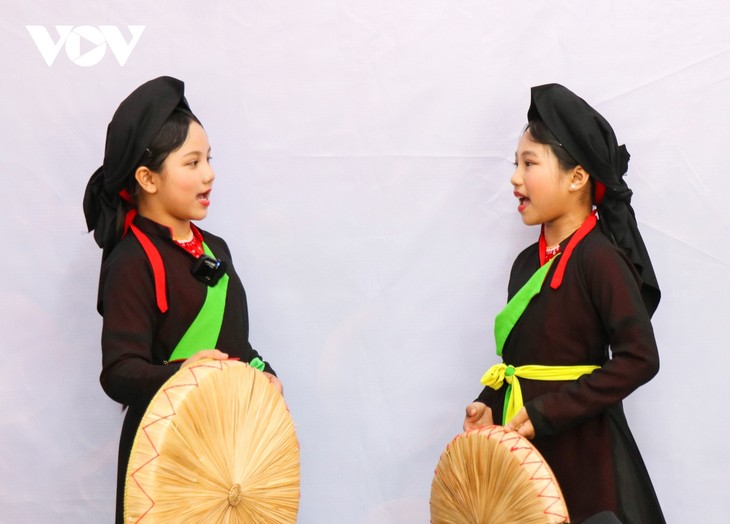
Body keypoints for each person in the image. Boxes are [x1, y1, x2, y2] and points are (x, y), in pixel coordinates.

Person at [83, 76, 282, 523]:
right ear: (147, 178)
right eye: (191, 162)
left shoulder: (216, 248)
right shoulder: (132, 261)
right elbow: (119, 373)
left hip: (228, 454)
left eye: (209, 159)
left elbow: (236, 346)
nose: (208, 174)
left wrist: (265, 375)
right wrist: (184, 375)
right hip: (164, 458)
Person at [463, 84, 664, 523]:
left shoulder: (600, 260)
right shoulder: (524, 264)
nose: (515, 178)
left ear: (576, 178)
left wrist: (549, 412)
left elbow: (640, 359)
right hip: (529, 460)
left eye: (529, 163)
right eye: (515, 164)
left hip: (585, 456)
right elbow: (519, 363)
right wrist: (488, 402)